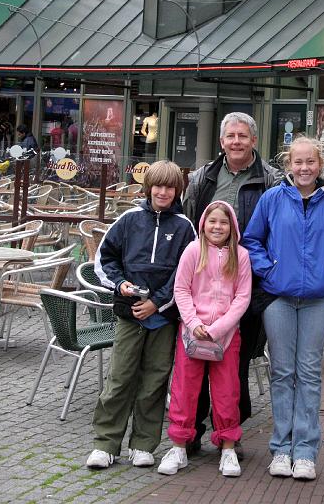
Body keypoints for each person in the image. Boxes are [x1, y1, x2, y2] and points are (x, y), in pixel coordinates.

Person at [242, 136, 324, 481]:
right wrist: (268, 269)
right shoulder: (272, 198)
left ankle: (305, 451)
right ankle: (281, 449)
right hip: (279, 298)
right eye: (298, 162)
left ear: (320, 165)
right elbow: (252, 240)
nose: (304, 168)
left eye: (310, 162)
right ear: (289, 165)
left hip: (317, 300)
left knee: (309, 373)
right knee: (283, 372)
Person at [86, 160, 196, 470]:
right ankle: (106, 444)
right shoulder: (128, 219)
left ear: (177, 191)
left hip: (163, 318)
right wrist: (120, 283)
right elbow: (104, 260)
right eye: (158, 186)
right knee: (120, 378)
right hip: (128, 314)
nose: (163, 192)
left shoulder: (185, 227)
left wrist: (158, 302)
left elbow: (185, 275)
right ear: (148, 188)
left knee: (155, 381)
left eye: (170, 187)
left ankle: (144, 444)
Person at [182, 112, 281, 453]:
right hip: (202, 289)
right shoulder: (203, 178)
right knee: (194, 363)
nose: (236, 141)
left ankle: (229, 434)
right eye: (230, 136)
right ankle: (190, 432)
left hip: (246, 289)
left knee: (234, 366)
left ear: (254, 140)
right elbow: (188, 222)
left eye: (243, 136)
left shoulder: (271, 179)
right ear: (221, 141)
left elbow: (276, 231)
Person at [158, 201, 252, 478]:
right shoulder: (192, 250)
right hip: (192, 335)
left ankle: (228, 448)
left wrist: (220, 328)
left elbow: (242, 297)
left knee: (227, 392)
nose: (217, 227)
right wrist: (194, 322)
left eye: (223, 222)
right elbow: (181, 289)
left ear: (232, 226)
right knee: (184, 390)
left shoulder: (241, 256)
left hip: (225, 337)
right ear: (203, 224)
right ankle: (178, 446)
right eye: (212, 222)